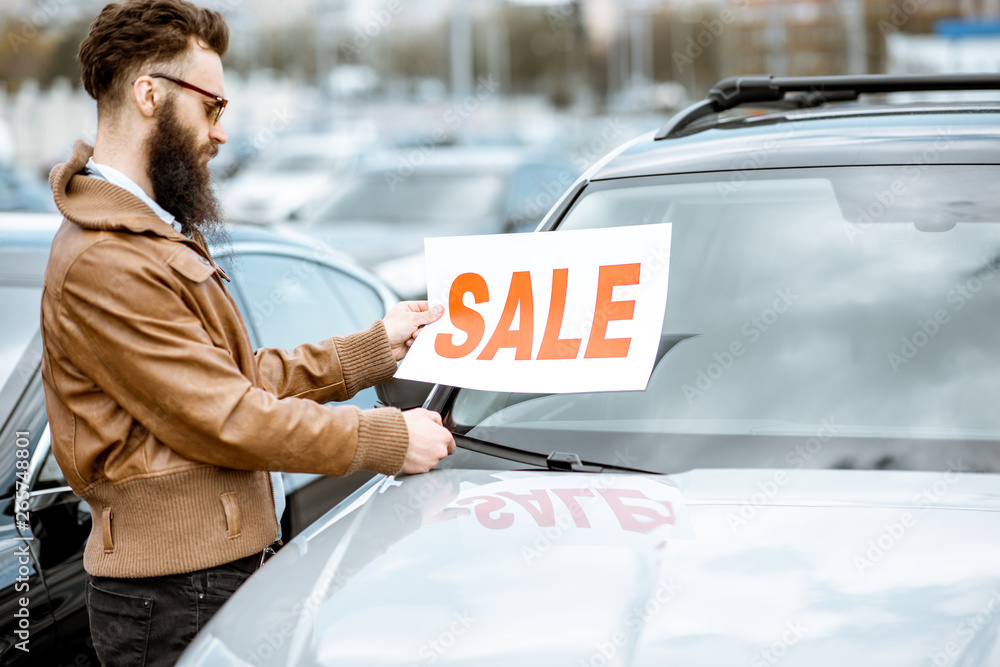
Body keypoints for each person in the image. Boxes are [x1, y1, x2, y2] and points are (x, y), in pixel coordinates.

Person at [39, 1, 455, 665]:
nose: (221, 132)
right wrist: (384, 438)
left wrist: (369, 350)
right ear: (150, 94)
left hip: (205, 581)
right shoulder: (107, 259)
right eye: (212, 107)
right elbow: (224, 415)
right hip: (171, 597)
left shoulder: (148, 231)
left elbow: (226, 379)